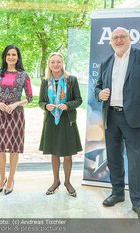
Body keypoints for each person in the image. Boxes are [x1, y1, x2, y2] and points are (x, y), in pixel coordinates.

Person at [94, 27, 140, 222]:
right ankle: (117, 193)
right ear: (111, 41)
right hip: (111, 117)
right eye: (115, 38)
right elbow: (97, 86)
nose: (119, 40)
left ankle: (138, 203)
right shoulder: (106, 62)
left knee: (136, 161)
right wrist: (99, 93)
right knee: (113, 158)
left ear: (130, 38)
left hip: (135, 119)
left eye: (122, 37)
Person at [0, 44, 33, 195]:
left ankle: (11, 179)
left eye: (14, 54)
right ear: (4, 56)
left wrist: (16, 104)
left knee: (14, 147)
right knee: (0, 147)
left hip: (16, 114)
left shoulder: (24, 75)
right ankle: (1, 178)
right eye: (8, 54)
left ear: (18, 57)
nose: (11, 57)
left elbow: (30, 98)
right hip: (0, 113)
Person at [38, 53, 82, 197]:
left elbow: (78, 100)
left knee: (68, 155)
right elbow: (40, 102)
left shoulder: (72, 80)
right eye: (52, 62)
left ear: (62, 63)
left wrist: (67, 105)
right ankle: (55, 181)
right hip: (51, 120)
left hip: (67, 120)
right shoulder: (45, 82)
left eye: (58, 62)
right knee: (54, 153)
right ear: (49, 64)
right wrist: (46, 106)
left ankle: (67, 182)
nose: (55, 64)